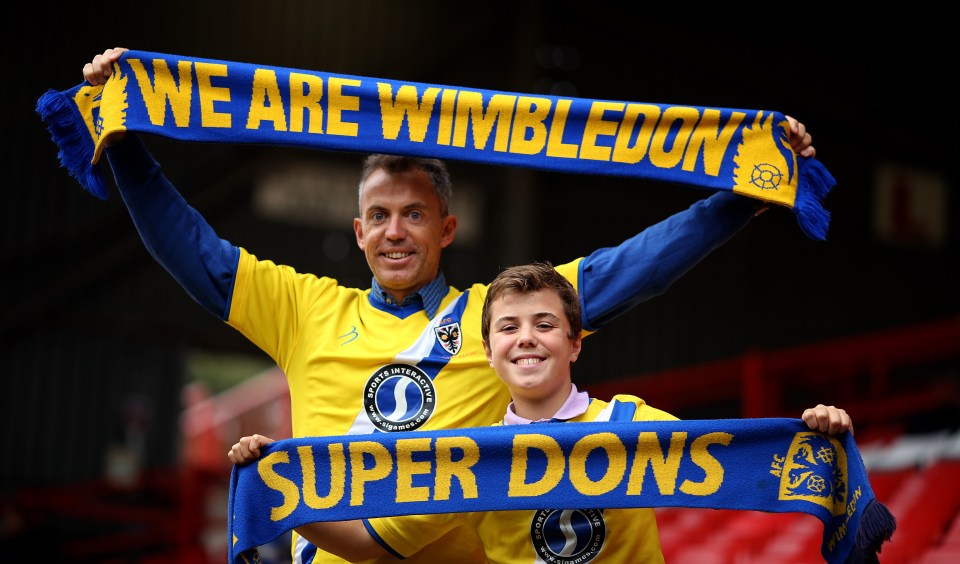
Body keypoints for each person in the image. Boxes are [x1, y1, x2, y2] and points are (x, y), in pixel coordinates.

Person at [82, 47, 818, 564]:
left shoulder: (503, 318)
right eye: (380, 215)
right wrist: (121, 141)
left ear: (447, 228)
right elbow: (192, 250)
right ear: (359, 232)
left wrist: (746, 192)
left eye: (414, 213)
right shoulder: (300, 307)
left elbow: (640, 266)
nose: (396, 231)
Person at [228, 262, 854, 563]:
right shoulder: (468, 458)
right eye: (509, 327)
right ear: (489, 351)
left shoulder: (628, 424)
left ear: (575, 343)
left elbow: (739, 455)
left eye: (545, 324)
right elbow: (367, 545)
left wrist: (816, 432)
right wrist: (278, 492)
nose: (526, 338)